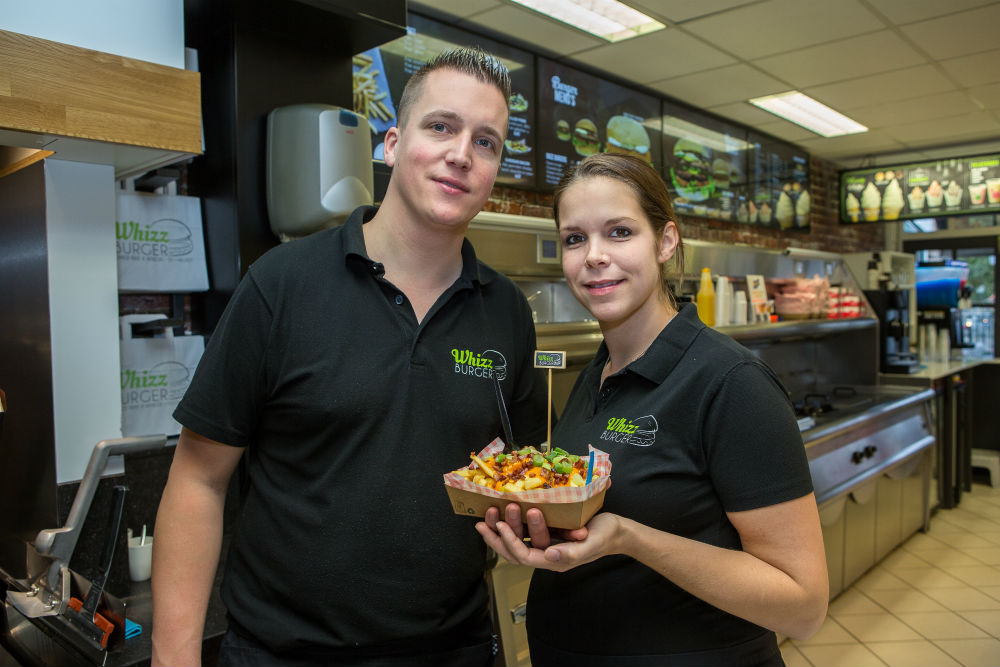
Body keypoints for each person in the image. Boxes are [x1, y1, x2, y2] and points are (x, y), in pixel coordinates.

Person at [151, 47, 549, 667]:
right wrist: (174, 659)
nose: (461, 154)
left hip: (454, 649)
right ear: (391, 144)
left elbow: (520, 476)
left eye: (487, 142)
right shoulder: (281, 285)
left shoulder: (507, 313)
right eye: (441, 126)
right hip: (282, 654)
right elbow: (199, 481)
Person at [477, 154, 828, 666]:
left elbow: (804, 607)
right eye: (575, 238)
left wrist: (628, 538)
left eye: (619, 232)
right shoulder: (595, 376)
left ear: (665, 242)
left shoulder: (730, 382)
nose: (594, 255)